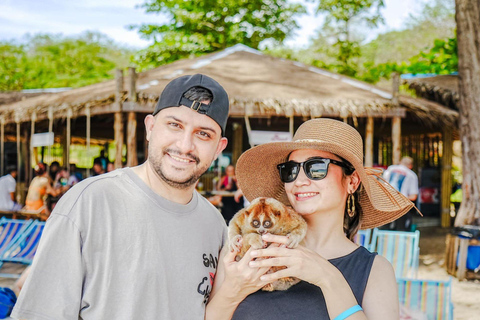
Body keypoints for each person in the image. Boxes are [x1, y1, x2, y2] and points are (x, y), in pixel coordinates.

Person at [12, 74, 230, 320]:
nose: (185, 145)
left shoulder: (215, 225)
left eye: (203, 134)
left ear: (219, 148)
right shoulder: (90, 202)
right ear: (150, 128)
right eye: (175, 125)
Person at [206, 118, 414, 320]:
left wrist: (327, 277)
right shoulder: (245, 249)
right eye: (291, 170)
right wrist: (234, 290)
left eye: (316, 168)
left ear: (352, 181)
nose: (299, 180)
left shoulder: (375, 270)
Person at [382, 156, 419, 231]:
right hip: (401, 206)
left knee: (384, 228)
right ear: (410, 166)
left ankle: (383, 242)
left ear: (400, 162)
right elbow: (413, 196)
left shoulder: (389, 169)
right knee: (401, 229)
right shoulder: (412, 175)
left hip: (385, 203)